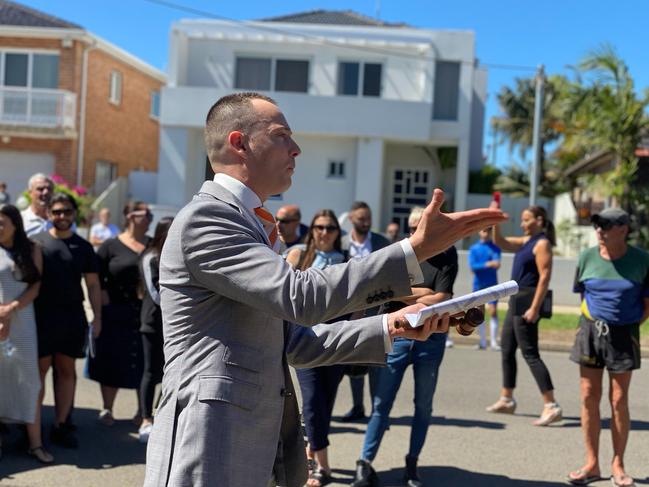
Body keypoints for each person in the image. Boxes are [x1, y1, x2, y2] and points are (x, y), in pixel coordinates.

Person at [142, 92, 506, 487]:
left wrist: (393, 325)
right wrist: (413, 251)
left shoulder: (252, 225)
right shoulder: (207, 218)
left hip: (249, 448)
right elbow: (300, 297)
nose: (296, 149)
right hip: (209, 445)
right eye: (282, 135)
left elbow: (296, 342)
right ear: (239, 143)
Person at [351, 206, 459, 487]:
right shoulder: (399, 253)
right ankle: (364, 463)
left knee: (423, 405)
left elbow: (444, 298)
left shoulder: (448, 254)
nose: (414, 232)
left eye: (418, 226)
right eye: (410, 227)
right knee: (381, 404)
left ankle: (412, 464)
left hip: (432, 339)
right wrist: (425, 295)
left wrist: (416, 297)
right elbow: (390, 292)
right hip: (398, 335)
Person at [567, 208, 649, 487]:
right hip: (590, 331)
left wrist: (623, 324)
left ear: (623, 229)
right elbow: (583, 293)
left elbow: (647, 305)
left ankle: (618, 464)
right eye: (597, 226)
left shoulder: (642, 260)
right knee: (589, 395)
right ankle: (592, 463)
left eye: (606, 226)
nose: (599, 231)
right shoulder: (587, 257)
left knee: (618, 399)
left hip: (625, 334)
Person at [31, 193, 101, 449]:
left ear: (74, 214)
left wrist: (98, 318)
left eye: (67, 212)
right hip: (40, 319)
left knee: (66, 371)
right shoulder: (36, 243)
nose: (62, 216)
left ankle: (60, 426)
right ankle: (33, 428)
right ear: (49, 213)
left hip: (72, 319)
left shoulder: (83, 247)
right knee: (38, 373)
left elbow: (93, 285)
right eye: (57, 212)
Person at [486, 205, 562, 426]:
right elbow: (500, 242)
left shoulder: (542, 244)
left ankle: (551, 405)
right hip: (516, 300)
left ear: (539, 220)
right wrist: (495, 220)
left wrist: (535, 308)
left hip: (529, 302)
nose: (522, 224)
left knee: (530, 353)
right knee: (507, 349)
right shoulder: (525, 241)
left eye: (526, 219)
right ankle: (507, 399)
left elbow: (545, 277)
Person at [286, 210, 347, 487]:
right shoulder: (298, 255)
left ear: (337, 232)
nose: (324, 232)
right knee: (311, 401)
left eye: (330, 228)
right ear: (311, 229)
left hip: (337, 338)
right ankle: (320, 465)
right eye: (319, 227)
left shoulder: (346, 260)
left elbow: (355, 302)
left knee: (325, 402)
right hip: (305, 337)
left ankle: (312, 453)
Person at [87, 201, 151, 427]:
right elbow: (95, 277)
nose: (148, 217)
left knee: (143, 360)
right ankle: (108, 408)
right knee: (111, 359)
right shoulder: (110, 245)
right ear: (129, 216)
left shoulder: (153, 245)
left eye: (149, 214)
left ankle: (142, 410)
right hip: (115, 310)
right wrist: (101, 300)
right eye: (143, 213)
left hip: (145, 312)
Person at [0, 204, 52, 463]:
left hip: (23, 322)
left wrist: (11, 308)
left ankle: (35, 443)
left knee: (29, 380)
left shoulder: (32, 248)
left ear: (15, 224)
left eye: (2, 223)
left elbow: (36, 286)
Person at [340, 201, 391, 422]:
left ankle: (377, 412)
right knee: (355, 358)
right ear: (351, 218)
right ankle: (357, 406)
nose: (366, 222)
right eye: (361, 218)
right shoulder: (341, 243)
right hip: (349, 309)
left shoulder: (381, 243)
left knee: (377, 362)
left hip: (376, 309)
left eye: (368, 218)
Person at [137, 216, 173, 444]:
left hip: (172, 324)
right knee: (151, 372)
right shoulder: (151, 257)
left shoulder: (173, 255)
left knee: (170, 371)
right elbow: (155, 293)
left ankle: (162, 415)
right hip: (152, 322)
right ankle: (145, 417)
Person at [468, 228, 501, 350]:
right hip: (478, 284)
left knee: (493, 311)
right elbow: (472, 267)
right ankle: (482, 342)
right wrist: (487, 264)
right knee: (480, 313)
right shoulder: (474, 249)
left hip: (492, 284)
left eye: (488, 231)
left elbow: (497, 263)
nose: (486, 234)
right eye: (483, 231)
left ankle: (493, 342)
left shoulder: (495, 248)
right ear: (479, 232)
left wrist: (488, 265)